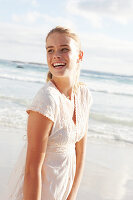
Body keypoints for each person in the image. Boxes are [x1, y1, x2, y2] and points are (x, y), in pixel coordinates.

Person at [7, 26, 93, 200]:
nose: (56, 55)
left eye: (64, 49)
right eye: (50, 50)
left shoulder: (83, 95)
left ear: (80, 56)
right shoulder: (47, 99)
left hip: (62, 190)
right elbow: (32, 169)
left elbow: (80, 152)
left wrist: (71, 196)